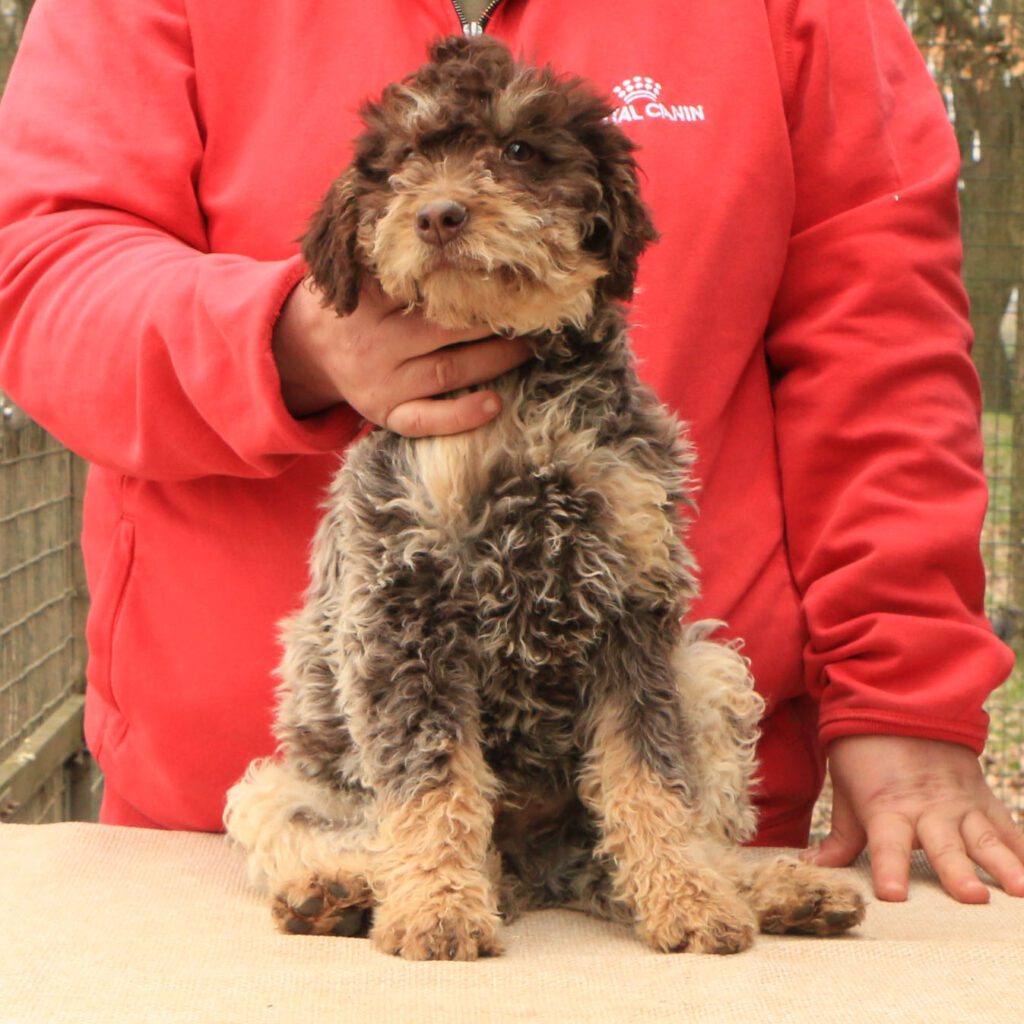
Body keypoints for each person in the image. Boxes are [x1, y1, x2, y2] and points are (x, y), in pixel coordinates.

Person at [0, 0, 1021, 905]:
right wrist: (288, 341)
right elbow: (38, 269)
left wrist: (903, 697)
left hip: (672, 813)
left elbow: (879, 338)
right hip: (237, 834)